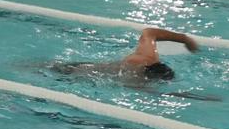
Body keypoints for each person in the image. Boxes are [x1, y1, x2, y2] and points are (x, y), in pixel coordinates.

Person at [50, 26, 198, 86]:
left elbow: (149, 33)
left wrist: (184, 39)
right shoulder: (137, 81)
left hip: (85, 65)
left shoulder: (147, 57)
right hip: (79, 72)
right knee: (49, 69)